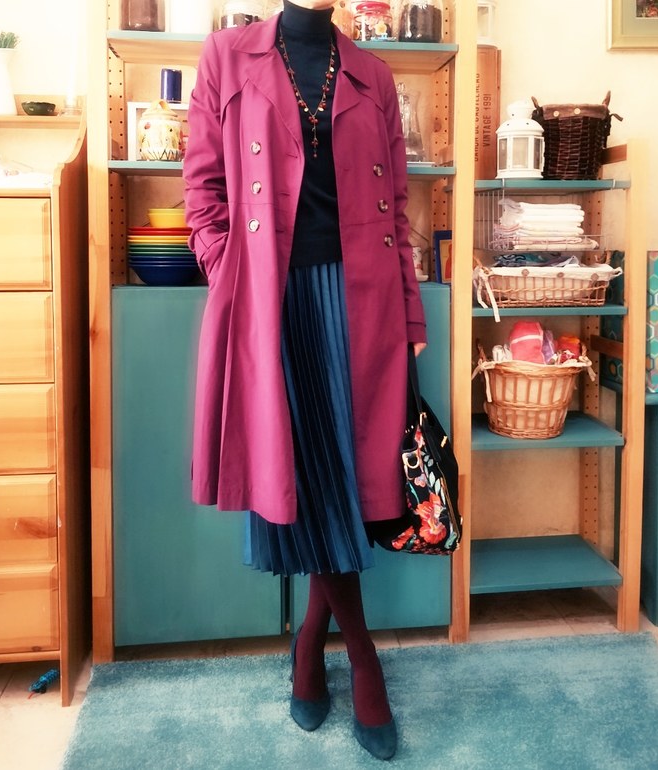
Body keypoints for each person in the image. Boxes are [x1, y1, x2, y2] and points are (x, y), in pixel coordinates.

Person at [183, 0, 427, 760]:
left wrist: (410, 313)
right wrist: (231, 271)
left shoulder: (373, 74)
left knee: (342, 479)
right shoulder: (227, 56)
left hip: (361, 301)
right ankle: (364, 659)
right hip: (270, 300)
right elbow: (201, 186)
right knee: (310, 472)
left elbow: (399, 210)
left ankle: (311, 643)